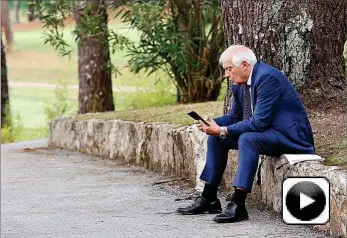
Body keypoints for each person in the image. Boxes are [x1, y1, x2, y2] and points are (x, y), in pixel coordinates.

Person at [176, 45, 315, 223]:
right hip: (267, 133)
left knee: (248, 139)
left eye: (228, 69)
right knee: (217, 138)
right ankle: (209, 198)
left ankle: (238, 204)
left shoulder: (267, 78)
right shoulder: (239, 83)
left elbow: (259, 122)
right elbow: (236, 116)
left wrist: (223, 130)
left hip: (290, 137)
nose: (226, 74)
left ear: (244, 65)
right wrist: (214, 124)